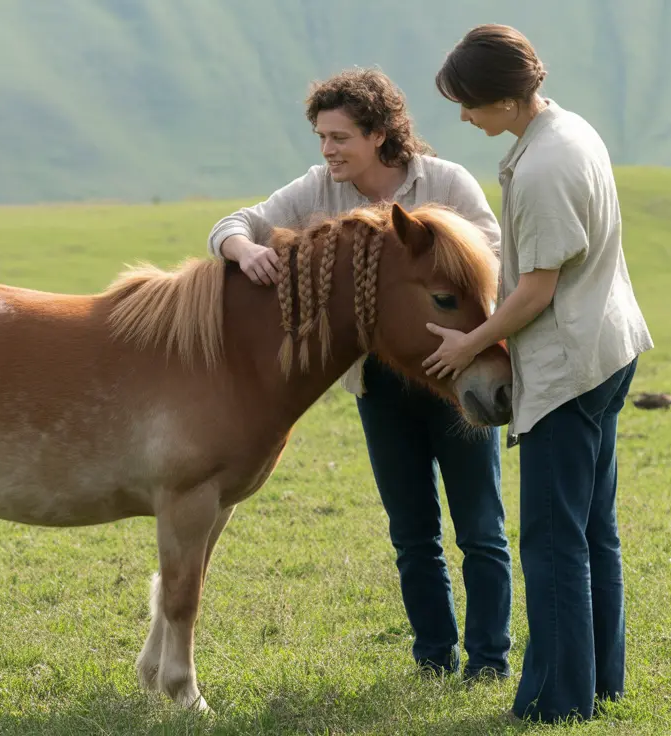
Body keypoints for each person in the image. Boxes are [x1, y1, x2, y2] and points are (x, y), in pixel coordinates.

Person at [207, 67, 514, 682]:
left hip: (457, 371)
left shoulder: (445, 182)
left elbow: (491, 256)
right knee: (412, 533)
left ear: (379, 134)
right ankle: (433, 658)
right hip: (378, 383)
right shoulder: (319, 188)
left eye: (340, 137)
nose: (328, 150)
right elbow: (232, 225)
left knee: (481, 529)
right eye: (321, 137)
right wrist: (247, 250)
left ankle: (489, 662)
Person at [424, 24, 655, 723]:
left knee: (553, 541)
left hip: (569, 364)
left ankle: (559, 701)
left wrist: (470, 344)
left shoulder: (546, 167)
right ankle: (600, 682)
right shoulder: (571, 131)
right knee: (592, 530)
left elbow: (536, 291)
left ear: (499, 96)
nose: (463, 116)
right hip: (609, 346)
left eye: (467, 102)